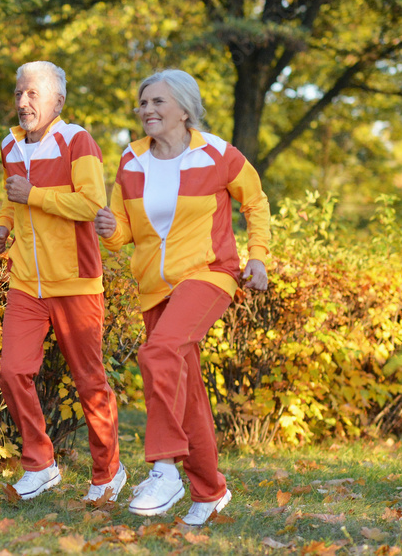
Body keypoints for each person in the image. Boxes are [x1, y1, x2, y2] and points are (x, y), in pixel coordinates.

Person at [94, 69, 270, 526]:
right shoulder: (131, 162)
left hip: (209, 274)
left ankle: (165, 467)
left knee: (159, 352)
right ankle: (210, 490)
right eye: (143, 103)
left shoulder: (217, 154)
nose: (147, 110)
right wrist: (110, 230)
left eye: (157, 103)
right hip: (154, 288)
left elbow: (255, 201)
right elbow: (124, 233)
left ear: (185, 110)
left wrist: (258, 256)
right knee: (186, 390)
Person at [0, 61, 125, 502]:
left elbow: (90, 205)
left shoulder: (77, 140)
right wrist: (1, 228)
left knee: (90, 381)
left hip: (76, 282)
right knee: (12, 371)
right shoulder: (10, 144)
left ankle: (108, 474)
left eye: (32, 94)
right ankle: (41, 465)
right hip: (26, 282)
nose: (23, 102)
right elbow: (12, 203)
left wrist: (35, 196)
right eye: (18, 94)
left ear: (57, 101)